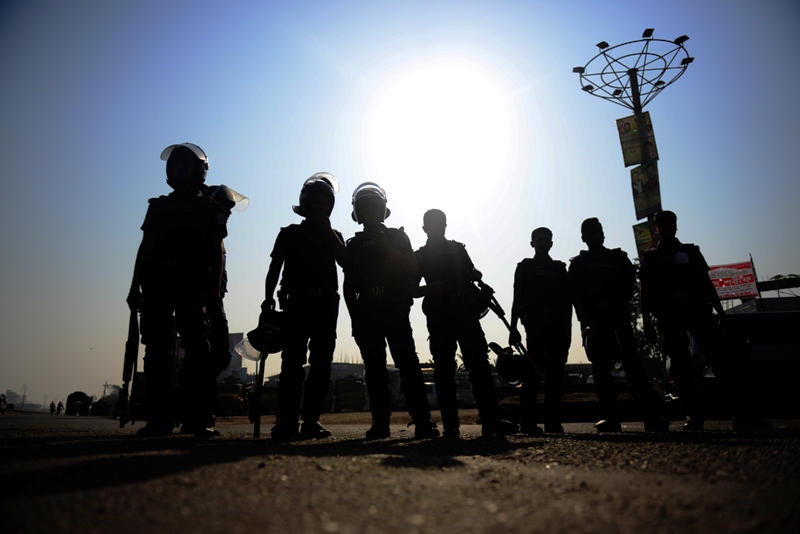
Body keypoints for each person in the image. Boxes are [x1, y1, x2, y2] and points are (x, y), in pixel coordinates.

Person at [127, 142, 227, 438]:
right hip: (157, 284)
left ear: (199, 170)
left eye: (187, 164)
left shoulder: (209, 208)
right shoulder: (158, 207)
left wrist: (214, 288)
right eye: (176, 164)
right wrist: (135, 285)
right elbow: (146, 247)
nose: (181, 168)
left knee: (198, 348)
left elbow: (216, 250)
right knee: (157, 350)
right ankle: (160, 418)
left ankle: (197, 418)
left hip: (193, 285)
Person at [639, 210, 770, 431]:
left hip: (698, 313)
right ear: (656, 229)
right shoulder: (650, 257)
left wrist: (721, 313)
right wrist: (648, 324)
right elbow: (646, 293)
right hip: (670, 319)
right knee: (681, 370)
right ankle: (694, 417)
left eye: (670, 223)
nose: (667, 227)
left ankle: (743, 415)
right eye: (662, 224)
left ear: (676, 226)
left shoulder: (691, 251)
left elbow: (706, 284)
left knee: (723, 362)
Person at [343, 183, 439, 439]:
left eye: (375, 208)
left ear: (383, 211)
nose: (371, 214)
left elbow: (412, 268)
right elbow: (349, 287)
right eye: (366, 210)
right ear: (358, 214)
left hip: (395, 311)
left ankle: (423, 421)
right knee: (374, 370)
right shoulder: (353, 245)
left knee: (408, 366)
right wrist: (355, 321)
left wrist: (387, 249)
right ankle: (380, 423)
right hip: (367, 314)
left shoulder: (398, 237)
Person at [413, 209, 518, 438]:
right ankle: (451, 425)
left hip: (465, 315)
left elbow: (471, 273)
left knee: (479, 366)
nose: (438, 228)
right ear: (425, 229)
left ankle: (491, 421)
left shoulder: (458, 249)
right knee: (444, 371)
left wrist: (475, 274)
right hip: (440, 317)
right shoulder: (419, 256)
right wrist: (432, 288)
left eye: (441, 224)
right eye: (433, 225)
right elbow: (411, 290)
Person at [262, 173, 346, 441]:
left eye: (325, 204)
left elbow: (345, 262)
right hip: (296, 303)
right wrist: (267, 300)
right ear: (305, 204)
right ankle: (286, 421)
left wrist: (328, 230)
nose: (320, 208)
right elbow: (274, 268)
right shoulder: (290, 233)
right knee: (292, 363)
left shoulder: (335, 235)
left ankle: (311, 420)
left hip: (326, 304)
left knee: (321, 364)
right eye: (316, 203)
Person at [568, 217, 669, 433]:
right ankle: (610, 418)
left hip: (619, 320)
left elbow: (631, 284)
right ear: (583, 237)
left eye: (598, 231)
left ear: (603, 234)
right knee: (601, 370)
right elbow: (575, 297)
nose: (596, 235)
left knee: (634, 368)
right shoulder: (578, 263)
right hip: (594, 324)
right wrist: (586, 323)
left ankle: (650, 417)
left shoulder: (617, 257)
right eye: (591, 232)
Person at [509, 227, 573, 435]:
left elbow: (567, 304)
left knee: (555, 375)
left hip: (557, 328)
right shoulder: (525, 267)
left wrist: (568, 333)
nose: (543, 243)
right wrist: (513, 327)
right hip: (534, 328)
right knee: (532, 375)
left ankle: (552, 421)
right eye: (539, 239)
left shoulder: (559, 268)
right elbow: (517, 298)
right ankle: (526, 421)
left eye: (547, 240)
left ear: (551, 243)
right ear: (532, 243)